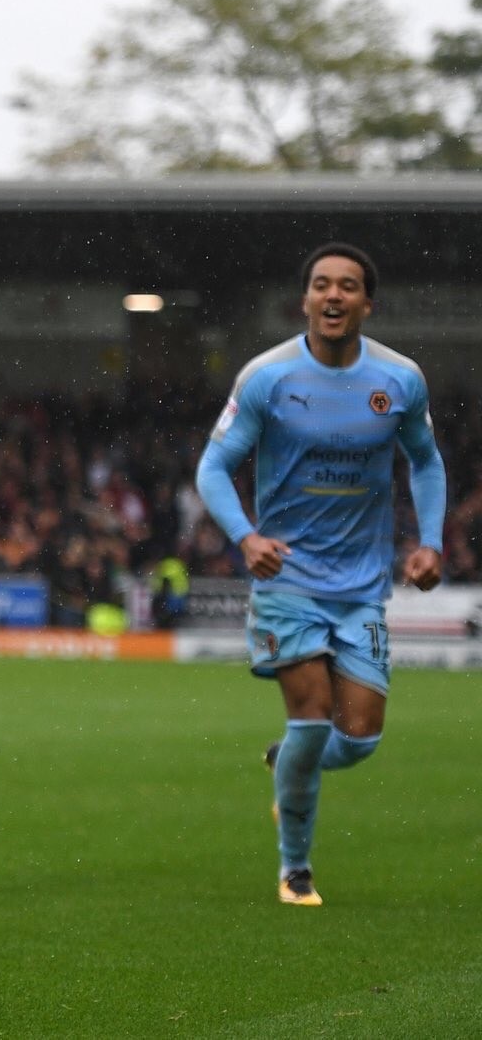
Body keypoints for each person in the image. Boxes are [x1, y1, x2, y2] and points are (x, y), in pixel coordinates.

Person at [195, 243, 447, 907]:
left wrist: (431, 540)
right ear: (304, 298)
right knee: (311, 719)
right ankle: (295, 867)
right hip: (288, 582)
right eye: (321, 284)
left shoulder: (399, 379)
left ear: (368, 302)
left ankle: (287, 766)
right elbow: (212, 468)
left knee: (359, 737)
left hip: (362, 586)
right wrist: (247, 537)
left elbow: (425, 461)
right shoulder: (267, 377)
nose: (334, 295)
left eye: (348, 286)